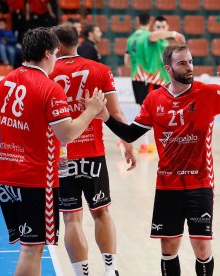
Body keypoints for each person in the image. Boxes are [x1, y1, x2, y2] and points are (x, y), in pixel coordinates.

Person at [102, 44, 220, 276]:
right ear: (168, 69)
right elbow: (131, 134)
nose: (189, 67)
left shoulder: (207, 92)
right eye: (182, 63)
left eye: (190, 62)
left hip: (200, 184)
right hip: (167, 185)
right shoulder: (154, 99)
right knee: (168, 246)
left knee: (201, 247)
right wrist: (105, 117)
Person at [0, 27, 106, 276]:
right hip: (35, 179)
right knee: (32, 250)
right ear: (46, 53)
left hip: (6, 178)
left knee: (28, 248)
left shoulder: (5, 81)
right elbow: (67, 134)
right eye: (54, 54)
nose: (55, 60)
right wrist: (91, 110)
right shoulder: (49, 88)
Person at [50, 23, 136, 276]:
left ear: (57, 46)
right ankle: (111, 270)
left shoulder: (48, 72)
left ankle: (82, 273)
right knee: (101, 212)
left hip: (62, 154)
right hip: (93, 153)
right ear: (77, 41)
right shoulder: (99, 70)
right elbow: (116, 113)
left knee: (71, 218)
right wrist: (127, 144)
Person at [125, 13, 185, 153]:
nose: (160, 30)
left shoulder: (135, 38)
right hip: (151, 80)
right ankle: (140, 141)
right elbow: (152, 37)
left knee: (153, 111)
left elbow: (126, 61)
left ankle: (131, 138)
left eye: (163, 27)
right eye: (158, 27)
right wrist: (174, 33)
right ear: (152, 26)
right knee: (150, 111)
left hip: (151, 79)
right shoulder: (150, 39)